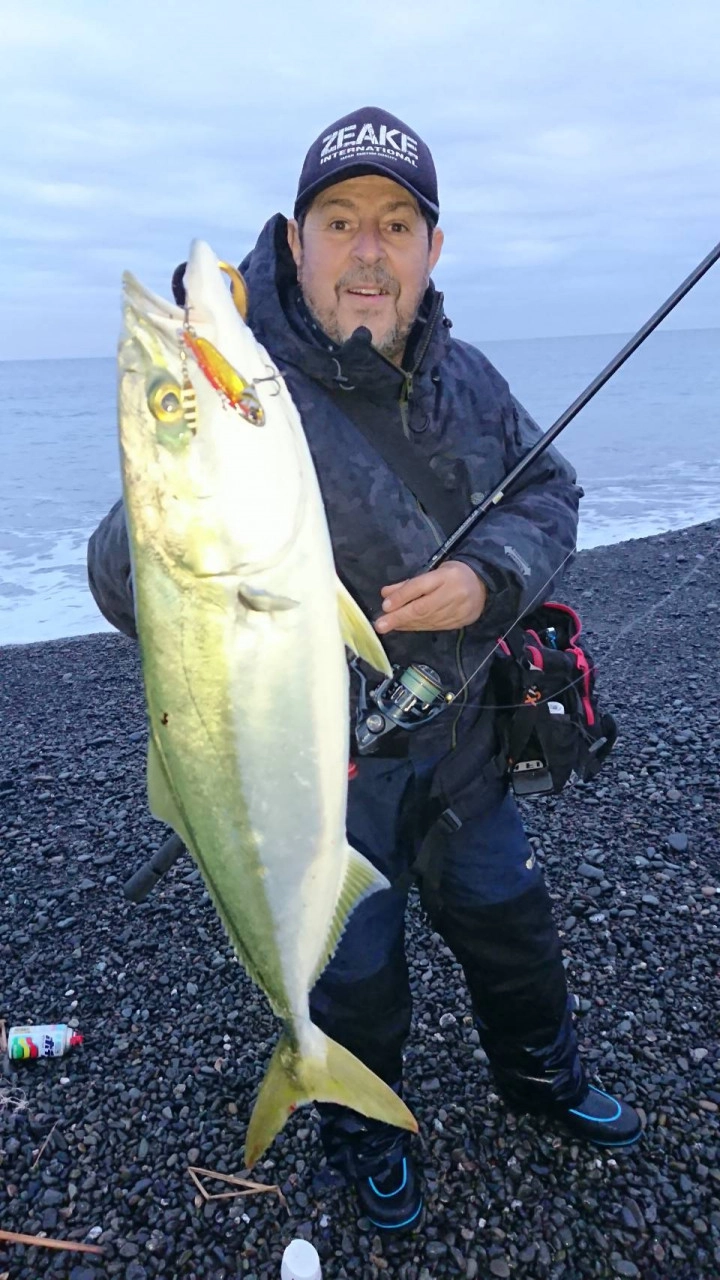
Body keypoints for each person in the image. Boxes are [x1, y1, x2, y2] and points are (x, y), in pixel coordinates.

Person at [87, 106, 641, 1233]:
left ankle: (543, 1079)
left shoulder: (469, 380)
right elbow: (121, 575)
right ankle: (360, 1125)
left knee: (511, 926)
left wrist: (487, 577)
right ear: (296, 243)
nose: (369, 251)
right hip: (320, 769)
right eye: (340, 222)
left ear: (434, 248)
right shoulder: (243, 384)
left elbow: (552, 495)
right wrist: (169, 468)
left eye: (396, 223)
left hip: (463, 732)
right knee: (354, 967)